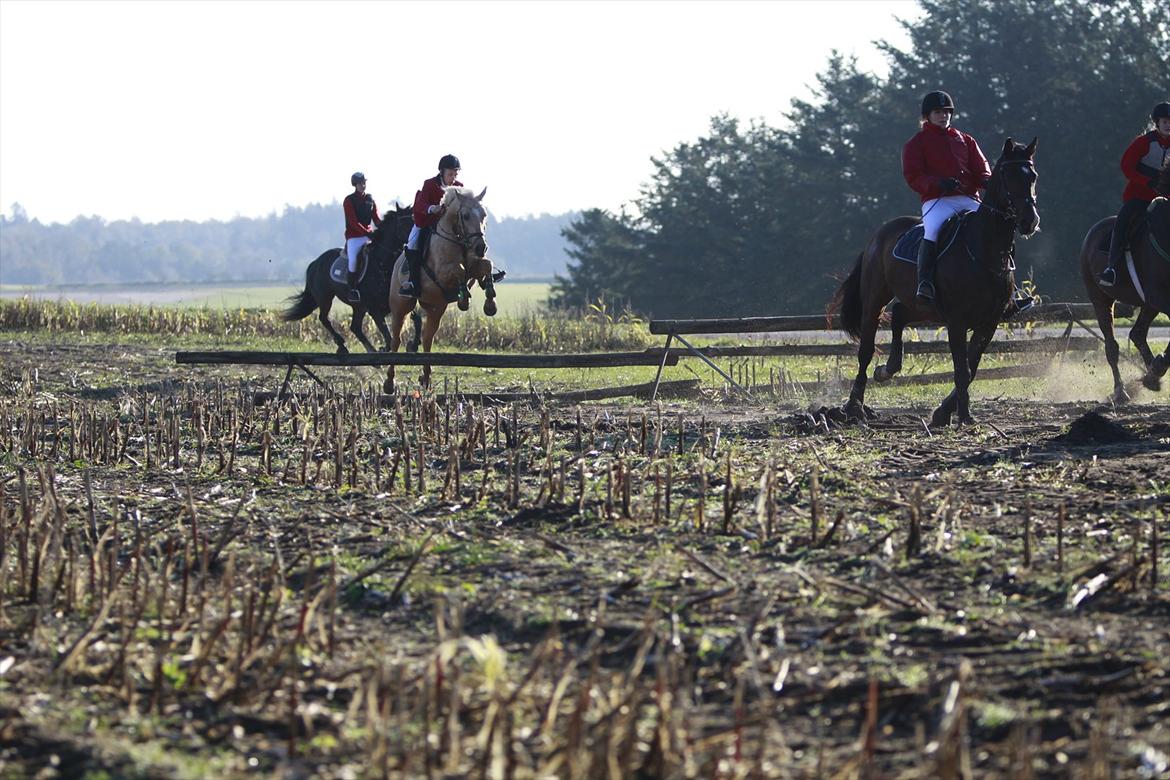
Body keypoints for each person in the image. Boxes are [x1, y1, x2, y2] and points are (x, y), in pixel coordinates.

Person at [901, 91, 992, 306]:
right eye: (938, 112)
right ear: (928, 115)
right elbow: (913, 175)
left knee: (996, 227)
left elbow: (982, 167)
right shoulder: (916, 143)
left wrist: (987, 180)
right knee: (932, 230)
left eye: (947, 112)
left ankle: (1010, 288)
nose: (944, 116)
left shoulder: (966, 139)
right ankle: (925, 282)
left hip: (968, 198)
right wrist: (936, 183)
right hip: (937, 200)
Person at [1098, 101, 1170, 287]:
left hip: (1165, 199)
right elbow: (1126, 167)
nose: (1169, 124)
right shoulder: (1144, 142)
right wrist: (1147, 182)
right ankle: (1111, 268)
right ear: (1157, 122)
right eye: (1165, 121)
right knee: (1122, 221)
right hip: (1139, 197)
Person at [399, 154, 463, 298]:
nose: (453, 178)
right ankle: (413, 282)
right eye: (450, 174)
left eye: (455, 174)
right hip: (426, 223)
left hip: (450, 227)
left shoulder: (459, 187)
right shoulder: (429, 184)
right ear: (442, 172)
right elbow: (420, 204)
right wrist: (431, 208)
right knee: (412, 243)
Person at [343, 172, 383, 303]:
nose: (363, 185)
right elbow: (353, 222)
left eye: (364, 182)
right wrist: (367, 232)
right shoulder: (349, 200)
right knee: (353, 260)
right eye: (360, 183)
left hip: (369, 236)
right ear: (355, 184)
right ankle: (352, 289)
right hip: (354, 237)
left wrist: (384, 229)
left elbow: (376, 219)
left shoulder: (370, 199)